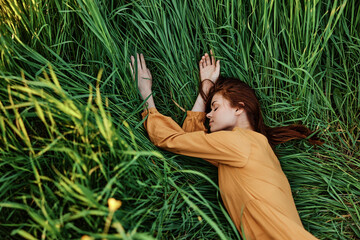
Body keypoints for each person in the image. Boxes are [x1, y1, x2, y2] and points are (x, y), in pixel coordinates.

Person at [129, 51, 321, 240]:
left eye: (215, 107)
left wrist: (146, 94)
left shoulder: (238, 143)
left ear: (238, 107)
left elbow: (172, 139)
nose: (208, 114)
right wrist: (207, 86)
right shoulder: (250, 146)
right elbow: (192, 138)